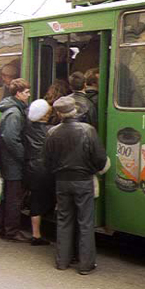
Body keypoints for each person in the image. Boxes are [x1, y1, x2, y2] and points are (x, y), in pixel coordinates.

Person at [44, 96, 109, 275]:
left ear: (59, 113)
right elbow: (100, 159)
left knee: (64, 220)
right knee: (85, 222)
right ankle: (85, 264)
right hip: (83, 181)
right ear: (75, 110)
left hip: (62, 181)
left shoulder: (52, 132)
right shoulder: (88, 130)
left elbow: (47, 162)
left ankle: (62, 261)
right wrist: (91, 170)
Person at [0, 78, 31, 242]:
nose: (29, 95)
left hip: (8, 161)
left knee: (7, 196)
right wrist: (23, 155)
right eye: (26, 92)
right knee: (13, 198)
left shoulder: (12, 109)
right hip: (13, 162)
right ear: (18, 94)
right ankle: (11, 230)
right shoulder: (15, 113)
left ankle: (0, 227)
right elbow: (10, 138)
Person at [23, 99, 54, 246]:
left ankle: (36, 234)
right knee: (49, 197)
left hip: (31, 166)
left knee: (36, 198)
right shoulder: (51, 130)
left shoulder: (27, 127)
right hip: (45, 169)